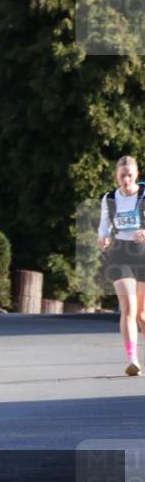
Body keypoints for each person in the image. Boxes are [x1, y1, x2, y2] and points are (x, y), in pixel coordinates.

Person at [97, 155, 145, 376]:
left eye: (130, 175)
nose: (126, 180)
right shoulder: (109, 198)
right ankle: (132, 359)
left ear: (137, 175)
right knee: (128, 308)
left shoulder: (144, 196)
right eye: (122, 175)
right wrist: (103, 238)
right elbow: (104, 226)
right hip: (120, 254)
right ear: (116, 176)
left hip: (142, 254)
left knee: (142, 315)